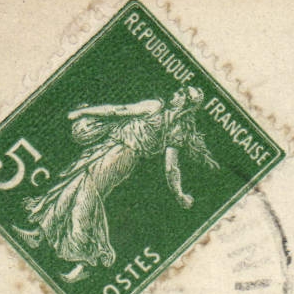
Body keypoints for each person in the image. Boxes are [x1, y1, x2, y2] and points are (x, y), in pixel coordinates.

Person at [14, 87, 217, 283]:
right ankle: (39, 234)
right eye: (180, 90)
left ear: (187, 105)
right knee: (71, 185)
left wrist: (81, 112)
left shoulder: (159, 111)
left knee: (85, 197)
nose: (177, 93)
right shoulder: (172, 123)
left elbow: (117, 111)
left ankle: (85, 261)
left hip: (119, 156)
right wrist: (179, 194)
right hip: (112, 151)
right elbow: (170, 166)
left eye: (182, 93)